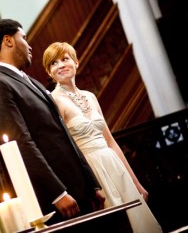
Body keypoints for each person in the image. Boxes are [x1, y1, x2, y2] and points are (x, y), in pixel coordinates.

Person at [0, 19, 107, 227]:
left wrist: (91, 183)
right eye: (24, 38)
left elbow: (64, 134)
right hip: (58, 197)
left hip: (80, 187)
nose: (29, 46)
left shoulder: (32, 82)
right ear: (8, 40)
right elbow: (20, 143)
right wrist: (57, 193)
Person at [42, 41, 163, 233]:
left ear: (76, 62)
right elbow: (64, 150)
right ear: (49, 72)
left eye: (65, 59)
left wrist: (136, 183)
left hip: (113, 163)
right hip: (92, 170)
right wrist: (89, 186)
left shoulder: (90, 96)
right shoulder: (54, 101)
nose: (61, 65)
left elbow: (110, 142)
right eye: (53, 63)